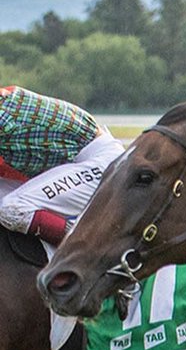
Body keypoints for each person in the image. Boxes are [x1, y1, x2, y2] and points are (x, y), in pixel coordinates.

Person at [0, 85, 125, 243]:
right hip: (83, 159)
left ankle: (89, 244)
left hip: (103, 164)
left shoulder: (3, 114)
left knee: (13, 209)